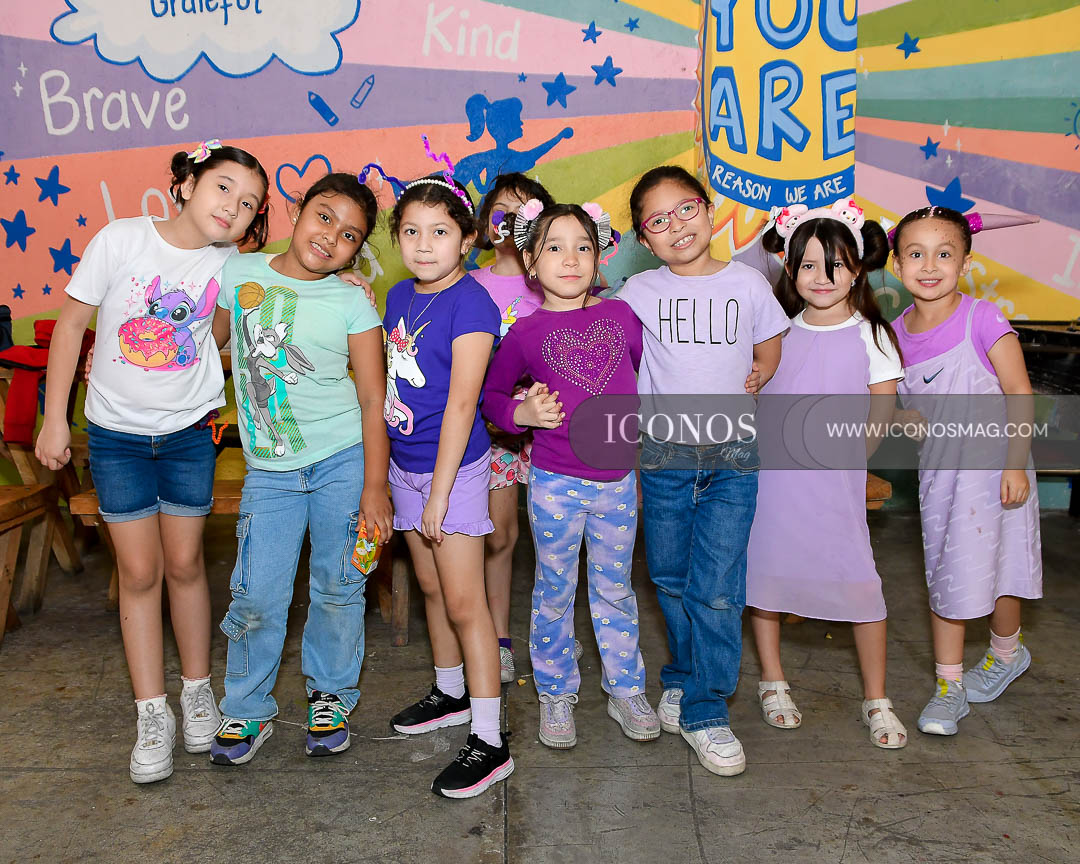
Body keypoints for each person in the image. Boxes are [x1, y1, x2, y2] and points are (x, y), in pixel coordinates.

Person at [35, 140, 270, 783]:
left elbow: (240, 320)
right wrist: (55, 418)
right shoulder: (121, 240)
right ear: (188, 184)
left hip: (190, 435)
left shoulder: (231, 267)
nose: (235, 207)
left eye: (250, 203)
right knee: (139, 573)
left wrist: (345, 277)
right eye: (223, 188)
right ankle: (151, 713)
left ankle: (197, 693)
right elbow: (71, 327)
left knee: (186, 564)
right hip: (116, 439)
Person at [207, 173, 392, 766]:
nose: (331, 236)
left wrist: (374, 487)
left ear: (356, 251)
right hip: (269, 471)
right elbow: (207, 348)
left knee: (339, 587)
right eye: (324, 216)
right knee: (257, 593)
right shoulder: (238, 273)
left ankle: (330, 695)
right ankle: (247, 707)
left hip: (343, 461)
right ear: (296, 210)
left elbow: (373, 398)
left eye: (350, 234)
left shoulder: (352, 302)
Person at [618, 165, 789, 777]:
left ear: (709, 209)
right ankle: (684, 674)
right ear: (644, 238)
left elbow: (770, 342)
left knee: (716, 586)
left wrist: (764, 370)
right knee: (669, 577)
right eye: (658, 221)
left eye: (686, 209)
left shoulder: (748, 283)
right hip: (663, 457)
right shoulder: (637, 292)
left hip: (732, 458)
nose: (676, 226)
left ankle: (706, 710)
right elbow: (607, 348)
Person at [484, 200, 660, 748]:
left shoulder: (622, 317)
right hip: (555, 484)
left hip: (618, 483)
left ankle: (625, 689)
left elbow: (640, 377)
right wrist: (522, 413)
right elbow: (492, 397)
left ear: (599, 255)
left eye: (583, 246)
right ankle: (556, 691)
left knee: (615, 590)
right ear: (531, 262)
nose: (570, 259)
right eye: (554, 247)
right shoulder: (524, 333)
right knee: (554, 589)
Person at [746, 200, 908, 749]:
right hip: (774, 484)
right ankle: (772, 681)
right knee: (766, 578)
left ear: (857, 269)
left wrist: (852, 458)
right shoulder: (776, 334)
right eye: (808, 264)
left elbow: (881, 409)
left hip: (835, 486)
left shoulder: (873, 335)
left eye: (835, 264)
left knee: (861, 585)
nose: (822, 276)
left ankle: (877, 698)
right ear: (790, 270)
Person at [381, 169, 513, 798]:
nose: (424, 244)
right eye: (411, 231)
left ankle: (490, 740)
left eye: (439, 231)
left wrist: (438, 493)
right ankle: (450, 692)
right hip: (404, 464)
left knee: (466, 604)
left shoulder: (473, 303)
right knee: (432, 588)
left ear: (466, 239)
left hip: (452, 471)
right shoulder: (398, 296)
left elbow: (463, 404)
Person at [890, 206, 1042, 736]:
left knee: (1004, 569)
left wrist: (1016, 465)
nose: (930, 265)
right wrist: (903, 418)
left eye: (944, 253)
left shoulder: (984, 319)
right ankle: (949, 687)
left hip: (999, 469)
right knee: (946, 575)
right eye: (916, 254)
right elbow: (889, 404)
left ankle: (1006, 654)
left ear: (966, 262)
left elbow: (1019, 392)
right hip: (942, 478)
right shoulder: (893, 335)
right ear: (897, 264)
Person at [471, 173, 555, 683]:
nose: (512, 222)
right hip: (495, 429)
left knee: (557, 535)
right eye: (503, 211)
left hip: (552, 429)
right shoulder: (470, 285)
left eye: (527, 213)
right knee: (501, 535)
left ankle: (554, 638)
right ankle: (498, 639)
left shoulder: (558, 281)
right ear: (485, 222)